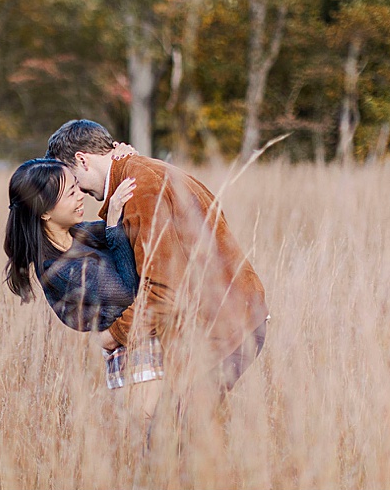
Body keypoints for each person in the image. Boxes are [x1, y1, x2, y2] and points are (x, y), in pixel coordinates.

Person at [45, 118, 269, 394]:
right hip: (229, 321)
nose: (78, 191)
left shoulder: (141, 188)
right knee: (180, 432)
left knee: (168, 432)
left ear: (82, 159)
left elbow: (164, 291)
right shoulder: (138, 175)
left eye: (73, 179)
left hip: (223, 329)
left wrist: (113, 335)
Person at [3, 156, 141, 343]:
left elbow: (129, 231)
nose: (80, 195)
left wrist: (126, 157)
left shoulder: (79, 233)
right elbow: (128, 293)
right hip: (132, 356)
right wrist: (112, 226)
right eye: (70, 193)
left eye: (77, 186)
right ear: (44, 212)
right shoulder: (59, 269)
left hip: (144, 338)